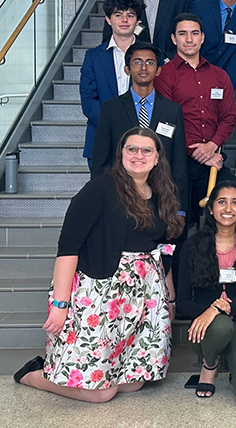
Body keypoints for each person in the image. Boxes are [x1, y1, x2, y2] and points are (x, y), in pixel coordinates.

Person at [14, 128, 183, 402]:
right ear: (121, 154)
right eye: (131, 149)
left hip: (142, 297)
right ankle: (33, 375)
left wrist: (169, 299)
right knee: (102, 394)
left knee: (133, 383)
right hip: (99, 294)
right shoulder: (100, 189)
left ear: (156, 159)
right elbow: (68, 248)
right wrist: (60, 304)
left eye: (146, 150)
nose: (138, 155)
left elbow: (164, 252)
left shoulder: (161, 194)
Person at [176, 181, 236, 403]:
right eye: (222, 202)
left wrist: (218, 308)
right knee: (221, 325)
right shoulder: (192, 246)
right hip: (205, 327)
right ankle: (210, 365)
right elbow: (183, 302)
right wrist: (210, 310)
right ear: (211, 208)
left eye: (235, 203)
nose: (228, 209)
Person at [156, 13, 236, 229]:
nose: (189, 39)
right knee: (178, 226)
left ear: (202, 37)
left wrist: (212, 146)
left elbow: (229, 117)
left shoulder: (219, 76)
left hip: (213, 159)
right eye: (182, 34)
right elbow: (165, 122)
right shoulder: (164, 75)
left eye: (194, 33)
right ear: (174, 39)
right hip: (177, 163)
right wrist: (196, 152)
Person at [92, 42, 189, 212]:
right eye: (137, 62)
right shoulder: (110, 109)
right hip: (120, 195)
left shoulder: (172, 110)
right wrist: (99, 203)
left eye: (150, 62)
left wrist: (179, 209)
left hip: (161, 197)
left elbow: (178, 163)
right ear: (127, 69)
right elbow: (101, 160)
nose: (144, 67)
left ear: (158, 70)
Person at [81, 0, 143, 167]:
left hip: (142, 140)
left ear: (138, 21)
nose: (124, 20)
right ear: (108, 19)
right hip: (102, 139)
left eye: (130, 15)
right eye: (118, 15)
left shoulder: (151, 55)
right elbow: (88, 100)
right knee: (102, 186)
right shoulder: (93, 56)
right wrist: (114, 125)